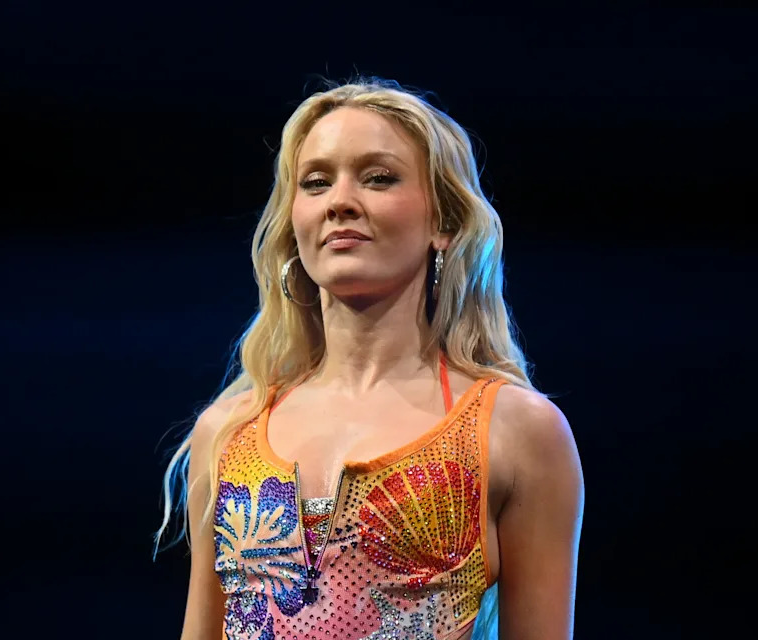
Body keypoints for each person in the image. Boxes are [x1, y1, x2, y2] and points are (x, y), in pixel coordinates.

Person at [157, 77, 584, 640]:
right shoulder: (229, 433)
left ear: (445, 224)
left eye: (378, 178)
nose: (340, 202)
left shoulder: (516, 431)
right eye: (315, 183)